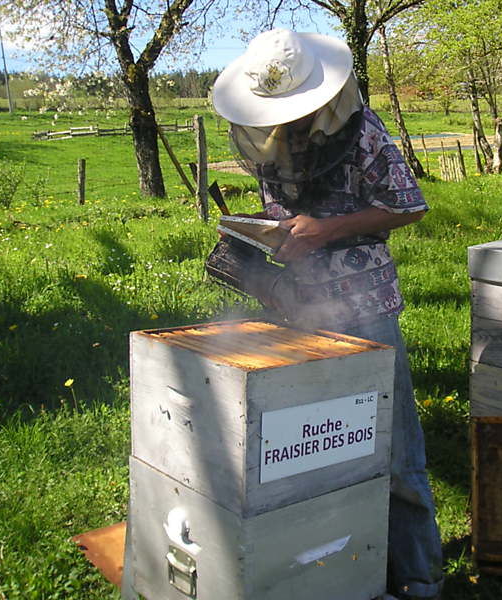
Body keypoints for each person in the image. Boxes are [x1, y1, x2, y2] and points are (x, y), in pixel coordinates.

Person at [211, 29, 443, 600]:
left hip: (364, 307)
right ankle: (341, 568)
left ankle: (419, 577)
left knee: (394, 450)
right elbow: (284, 213)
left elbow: (408, 206)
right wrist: (269, 238)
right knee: (322, 448)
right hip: (302, 306)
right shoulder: (267, 139)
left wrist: (326, 231)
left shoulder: (363, 133)